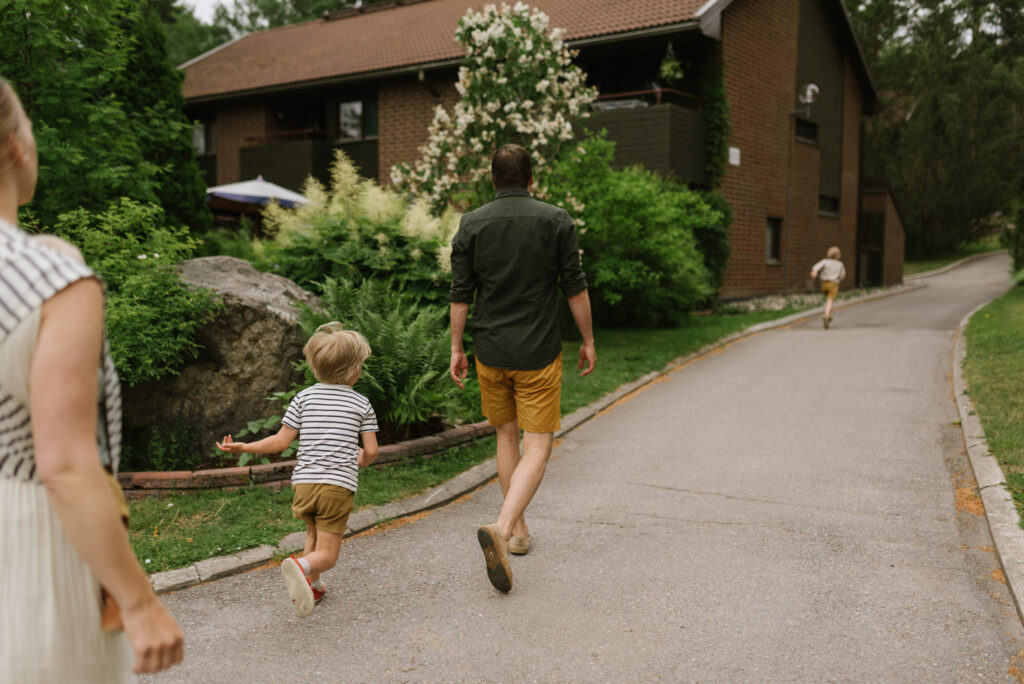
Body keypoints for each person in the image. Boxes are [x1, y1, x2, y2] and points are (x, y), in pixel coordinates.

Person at [0, 76, 184, 681]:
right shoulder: (53, 285)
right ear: (14, 146)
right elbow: (68, 465)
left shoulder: (48, 266)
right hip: (31, 558)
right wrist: (138, 601)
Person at [449, 143, 596, 593]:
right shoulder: (555, 220)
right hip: (537, 353)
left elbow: (460, 293)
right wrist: (588, 339)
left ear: (494, 179)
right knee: (538, 446)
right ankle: (503, 525)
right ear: (530, 179)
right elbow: (574, 286)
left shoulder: (471, 223)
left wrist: (456, 346)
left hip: (490, 351)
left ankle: (518, 532)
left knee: (506, 437)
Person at [217, 322, 379, 618]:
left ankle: (313, 586)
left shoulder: (304, 398)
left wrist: (244, 447)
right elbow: (370, 451)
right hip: (336, 486)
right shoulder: (361, 404)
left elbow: (280, 441)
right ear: (354, 370)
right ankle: (303, 567)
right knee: (327, 555)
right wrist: (362, 460)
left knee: (313, 534)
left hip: (304, 484)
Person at [810, 246, 846, 329]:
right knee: (830, 301)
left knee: (828, 299)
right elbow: (843, 275)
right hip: (833, 283)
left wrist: (814, 272)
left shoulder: (825, 261)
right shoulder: (840, 264)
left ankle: (829, 315)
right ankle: (826, 315)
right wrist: (840, 279)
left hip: (824, 284)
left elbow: (816, 267)